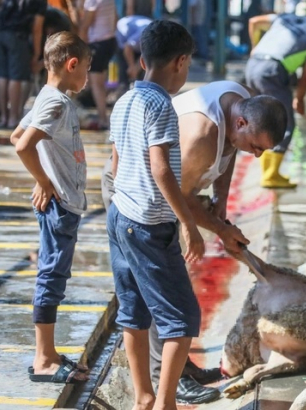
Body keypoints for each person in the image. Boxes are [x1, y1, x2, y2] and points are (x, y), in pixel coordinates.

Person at [101, 80, 288, 404]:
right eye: (256, 146)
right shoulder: (203, 133)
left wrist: (220, 201)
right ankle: (167, 383)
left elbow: (229, 152)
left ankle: (172, 373)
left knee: (164, 293)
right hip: (143, 198)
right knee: (165, 299)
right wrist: (215, 228)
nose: (256, 156)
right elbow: (178, 197)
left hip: (160, 200)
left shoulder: (240, 102)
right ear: (241, 122)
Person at [107, 20, 203, 410]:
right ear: (181, 61)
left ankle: (143, 396)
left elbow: (114, 163)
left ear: (143, 58)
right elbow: (161, 168)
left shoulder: (125, 100)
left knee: (133, 311)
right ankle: (165, 404)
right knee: (182, 317)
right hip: (148, 223)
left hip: (119, 213)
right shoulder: (161, 104)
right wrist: (187, 221)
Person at [9, 31, 91, 383]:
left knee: (53, 273)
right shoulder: (56, 102)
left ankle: (50, 352)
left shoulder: (47, 96)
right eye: (86, 68)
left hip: (61, 203)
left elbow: (16, 136)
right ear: (72, 65)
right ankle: (43, 359)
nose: (87, 75)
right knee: (52, 276)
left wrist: (44, 175)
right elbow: (23, 146)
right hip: (61, 205)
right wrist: (44, 181)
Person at [245, 3, 306, 189]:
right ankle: (271, 175)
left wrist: (255, 47)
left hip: (253, 65)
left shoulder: (288, 17)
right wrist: (300, 99)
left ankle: (267, 171)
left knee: (261, 119)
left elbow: (254, 22)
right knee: (283, 122)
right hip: (272, 72)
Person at [0, 0, 47, 130]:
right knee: (16, 77)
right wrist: (37, 52)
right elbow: (37, 28)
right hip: (18, 35)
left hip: (1, 32)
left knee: (3, 76)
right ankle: (13, 117)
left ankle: (4, 116)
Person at [79, 0, 117, 130]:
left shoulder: (92, 1)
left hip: (97, 42)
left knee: (97, 84)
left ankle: (103, 119)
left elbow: (85, 25)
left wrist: (80, 48)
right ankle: (103, 116)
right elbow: (116, 18)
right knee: (99, 81)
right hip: (109, 40)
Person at [115, 15, 152, 92]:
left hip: (137, 44)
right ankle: (123, 89)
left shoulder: (154, 38)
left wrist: (136, 67)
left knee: (142, 67)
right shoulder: (143, 34)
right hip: (124, 40)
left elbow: (147, 53)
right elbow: (127, 47)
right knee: (125, 68)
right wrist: (132, 66)